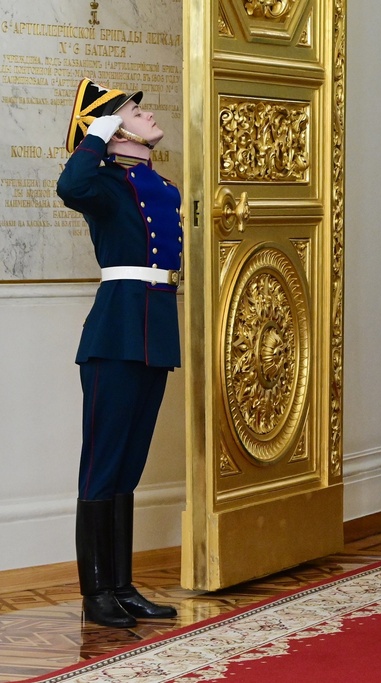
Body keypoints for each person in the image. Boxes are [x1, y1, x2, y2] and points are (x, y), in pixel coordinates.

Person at [57, 78, 182, 628]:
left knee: (129, 466)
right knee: (102, 465)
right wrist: (98, 132)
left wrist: (115, 126)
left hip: (155, 330)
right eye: (134, 110)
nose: (147, 113)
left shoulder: (155, 183)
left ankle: (122, 586)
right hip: (116, 332)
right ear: (112, 131)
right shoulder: (103, 181)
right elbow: (69, 185)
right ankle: (95, 593)